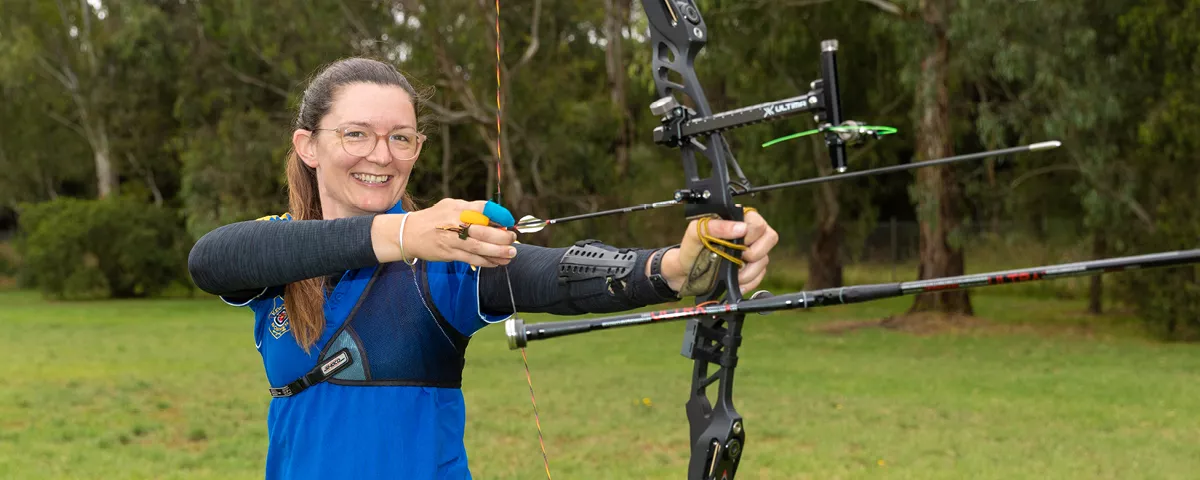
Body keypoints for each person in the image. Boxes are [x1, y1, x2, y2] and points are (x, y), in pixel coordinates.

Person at [187, 57, 779, 479]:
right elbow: (210, 260)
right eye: (356, 134)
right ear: (308, 145)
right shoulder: (278, 249)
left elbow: (545, 271)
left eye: (402, 138)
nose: (381, 155)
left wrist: (671, 267)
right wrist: (399, 233)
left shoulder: (442, 255)